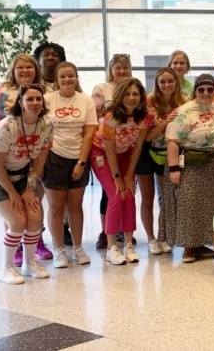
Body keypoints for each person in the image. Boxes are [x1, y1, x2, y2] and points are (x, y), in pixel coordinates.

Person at [0, 83, 53, 284]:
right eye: (30, 99)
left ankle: (29, 265)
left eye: (38, 99)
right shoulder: (8, 126)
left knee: (35, 218)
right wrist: (12, 193)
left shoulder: (46, 124)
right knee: (18, 221)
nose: (35, 103)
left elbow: (39, 160)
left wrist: (29, 188)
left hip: (20, 175)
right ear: (20, 102)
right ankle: (6, 268)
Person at [163, 74, 214, 263]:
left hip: (213, 162)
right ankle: (188, 247)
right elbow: (172, 141)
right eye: (201, 90)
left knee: (210, 206)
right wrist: (174, 169)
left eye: (210, 90)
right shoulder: (184, 111)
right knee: (189, 205)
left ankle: (201, 243)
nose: (206, 93)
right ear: (195, 91)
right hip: (189, 163)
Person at [90, 78, 151, 266]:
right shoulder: (110, 117)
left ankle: (128, 244)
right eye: (127, 94)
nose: (131, 98)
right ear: (119, 96)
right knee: (116, 195)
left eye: (135, 94)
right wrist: (118, 178)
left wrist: (128, 176)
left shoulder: (144, 116)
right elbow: (108, 149)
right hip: (102, 155)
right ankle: (111, 247)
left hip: (126, 155)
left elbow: (138, 147)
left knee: (130, 194)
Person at [42, 62, 96, 268]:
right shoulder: (47, 100)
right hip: (53, 157)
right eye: (63, 77)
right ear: (57, 79)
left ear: (76, 77)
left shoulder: (86, 101)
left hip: (78, 157)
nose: (67, 80)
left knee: (75, 205)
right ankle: (59, 250)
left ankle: (78, 248)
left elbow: (89, 133)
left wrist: (81, 163)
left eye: (71, 76)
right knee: (56, 206)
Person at [136, 67, 185, 255]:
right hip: (147, 152)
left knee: (167, 198)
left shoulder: (183, 102)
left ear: (176, 83)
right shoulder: (148, 102)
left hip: (169, 153)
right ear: (157, 83)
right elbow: (146, 136)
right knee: (147, 199)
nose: (166, 85)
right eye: (162, 82)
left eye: (170, 81)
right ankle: (151, 238)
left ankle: (164, 235)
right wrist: (166, 122)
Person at [91, 53, 133, 250]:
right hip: (105, 145)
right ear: (111, 70)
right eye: (118, 68)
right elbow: (96, 117)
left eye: (125, 67)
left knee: (126, 192)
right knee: (110, 193)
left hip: (125, 148)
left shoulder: (134, 88)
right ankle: (105, 231)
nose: (122, 71)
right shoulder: (102, 89)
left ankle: (123, 231)